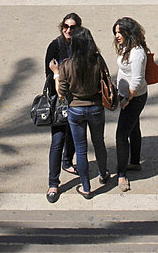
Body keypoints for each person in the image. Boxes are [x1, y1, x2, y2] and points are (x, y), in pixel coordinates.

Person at [53, 26, 110, 199]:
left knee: (81, 149)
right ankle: (103, 174)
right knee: (99, 142)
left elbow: (61, 92)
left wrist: (56, 74)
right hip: (96, 107)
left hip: (75, 109)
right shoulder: (97, 60)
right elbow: (106, 78)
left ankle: (86, 187)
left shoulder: (67, 65)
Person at [44, 12, 82, 202]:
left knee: (75, 137)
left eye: (72, 27)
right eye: (65, 26)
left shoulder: (82, 45)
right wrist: (59, 76)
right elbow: (49, 76)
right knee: (57, 140)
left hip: (78, 100)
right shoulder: (55, 46)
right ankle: (53, 184)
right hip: (60, 101)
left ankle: (67, 161)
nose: (68, 30)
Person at [113, 17, 148, 193]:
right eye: (116, 32)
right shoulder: (128, 47)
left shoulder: (137, 53)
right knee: (133, 128)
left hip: (134, 99)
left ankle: (121, 174)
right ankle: (134, 161)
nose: (117, 35)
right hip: (126, 96)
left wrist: (128, 99)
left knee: (121, 135)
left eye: (120, 32)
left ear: (128, 32)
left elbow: (137, 81)